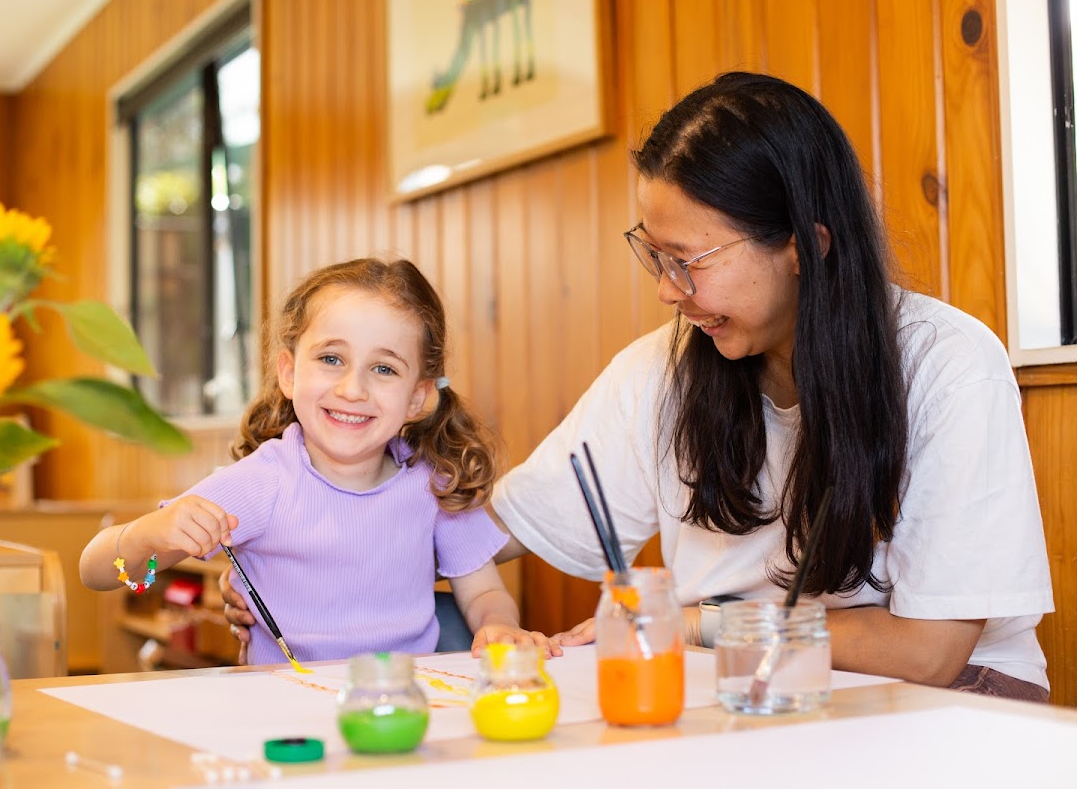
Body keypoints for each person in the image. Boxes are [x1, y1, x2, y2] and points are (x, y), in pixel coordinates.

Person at [224, 72, 1053, 700]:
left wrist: (693, 623)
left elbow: (929, 652)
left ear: (805, 245)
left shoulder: (945, 365)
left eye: (688, 261)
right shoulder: (664, 370)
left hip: (945, 703)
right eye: (653, 255)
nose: (666, 290)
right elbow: (477, 530)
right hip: (741, 695)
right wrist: (299, 559)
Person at [81, 257, 555, 666]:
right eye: (331, 359)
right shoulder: (261, 483)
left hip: (411, 703)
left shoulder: (433, 484)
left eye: (384, 369)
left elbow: (484, 592)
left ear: (417, 397)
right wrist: (147, 535)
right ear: (289, 373)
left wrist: (498, 625)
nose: (353, 389)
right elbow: (99, 572)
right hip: (289, 714)